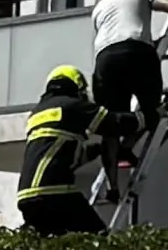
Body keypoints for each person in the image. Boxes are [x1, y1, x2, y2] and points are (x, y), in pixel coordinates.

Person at [90, 0, 168, 201]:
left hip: (106, 59)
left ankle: (111, 187)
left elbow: (117, 36)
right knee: (153, 111)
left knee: (110, 127)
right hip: (139, 53)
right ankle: (127, 146)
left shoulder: (98, 10)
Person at [17, 65, 141, 236]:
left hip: (26, 197)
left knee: (55, 243)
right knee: (97, 237)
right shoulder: (71, 105)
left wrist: (96, 151)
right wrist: (146, 117)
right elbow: (114, 122)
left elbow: (59, 154)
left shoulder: (37, 113)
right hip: (54, 191)